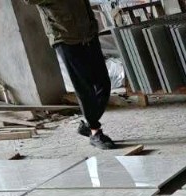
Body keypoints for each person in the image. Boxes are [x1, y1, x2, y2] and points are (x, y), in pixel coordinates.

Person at [23, 0, 117, 149]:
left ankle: (89, 123)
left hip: (88, 32)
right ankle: (95, 131)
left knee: (103, 83)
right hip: (65, 36)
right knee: (84, 87)